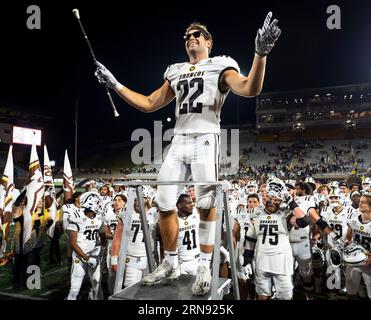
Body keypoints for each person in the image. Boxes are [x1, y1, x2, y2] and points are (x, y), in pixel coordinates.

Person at [95, 13, 281, 295]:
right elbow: (148, 103)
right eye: (186, 36)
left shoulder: (221, 64)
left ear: (208, 41)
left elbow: (250, 88)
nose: (190, 38)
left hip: (206, 137)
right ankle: (170, 262)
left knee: (206, 202)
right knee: (163, 201)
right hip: (179, 139)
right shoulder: (176, 70)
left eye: (196, 34)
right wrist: (115, 84)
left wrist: (260, 54)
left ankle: (205, 265)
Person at [66, 192, 105, 300]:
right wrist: (86, 257)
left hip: (94, 255)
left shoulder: (99, 217)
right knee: (74, 288)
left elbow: (103, 234)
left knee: (97, 283)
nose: (99, 204)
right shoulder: (76, 217)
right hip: (80, 257)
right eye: (97, 202)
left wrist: (102, 246)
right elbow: (73, 243)